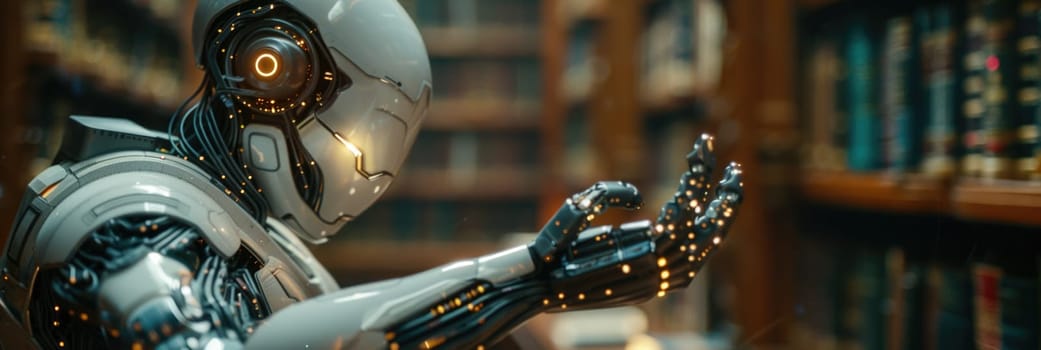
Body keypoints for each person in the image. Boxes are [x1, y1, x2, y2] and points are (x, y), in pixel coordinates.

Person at [0, 1, 744, 349]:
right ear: (273, 70)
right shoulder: (134, 222)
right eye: (361, 145)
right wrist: (525, 277)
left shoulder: (223, 219)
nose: (365, 177)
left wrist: (534, 283)